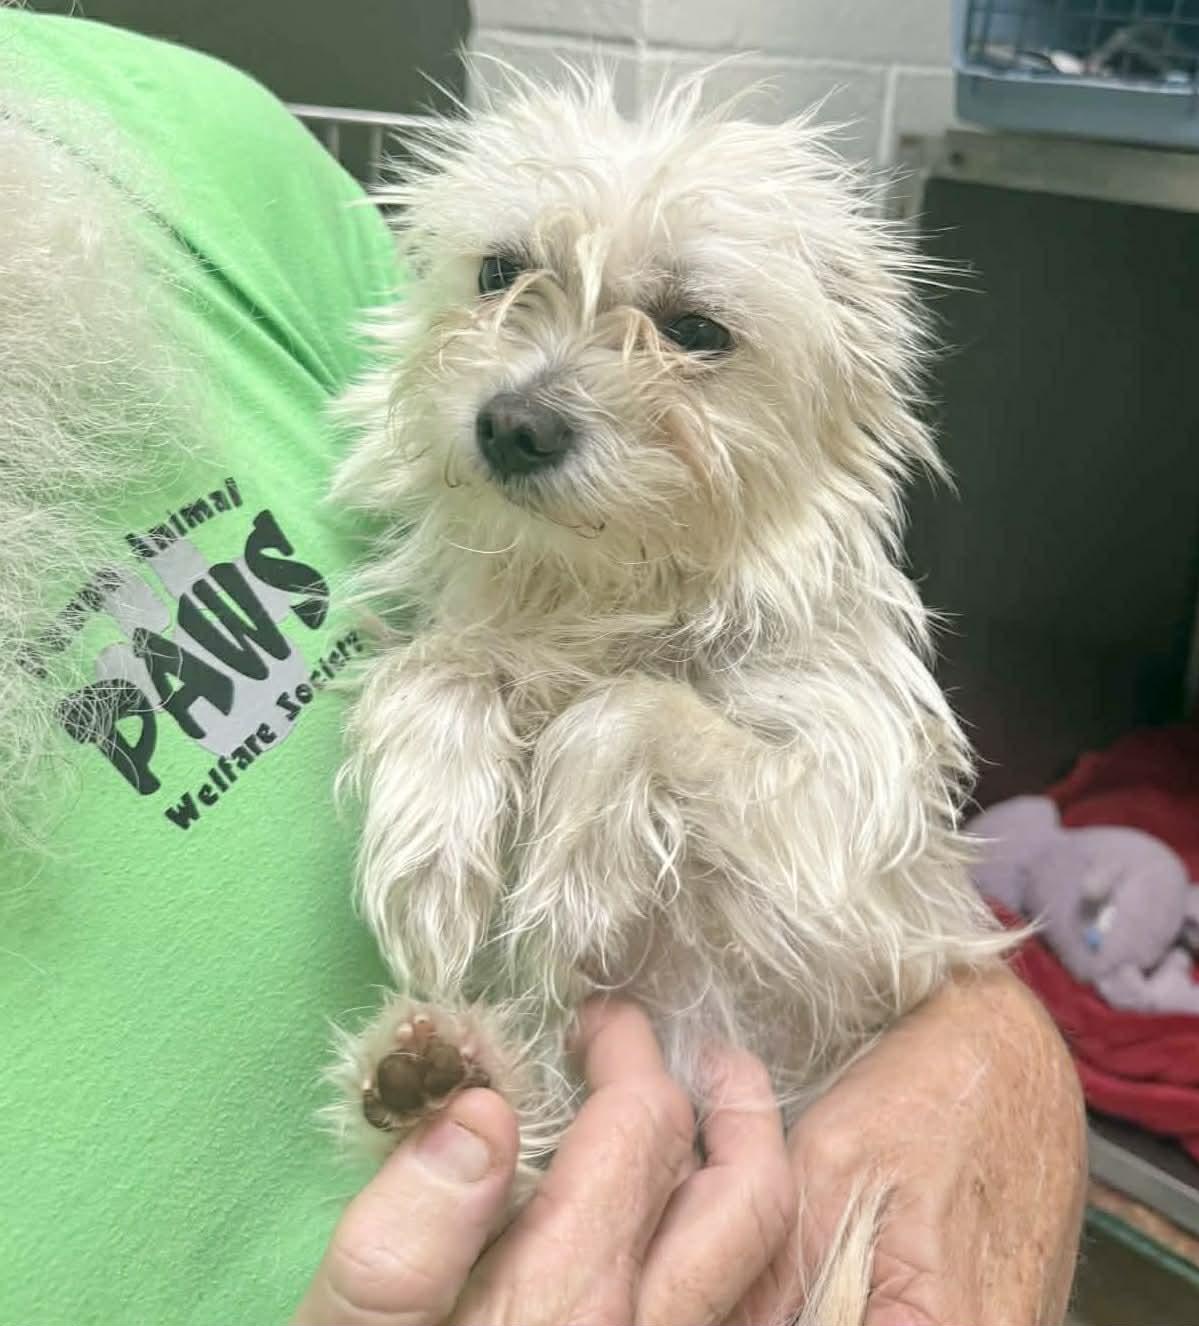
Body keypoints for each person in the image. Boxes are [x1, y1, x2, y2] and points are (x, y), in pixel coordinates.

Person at [0, 11, 1086, 1325]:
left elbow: (882, 921)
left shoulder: (171, 145)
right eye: (504, 272)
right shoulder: (456, 566)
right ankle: (483, 1101)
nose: (534, 390)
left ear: (842, 388)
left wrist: (1000, 1065)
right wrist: (438, 688)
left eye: (688, 329)